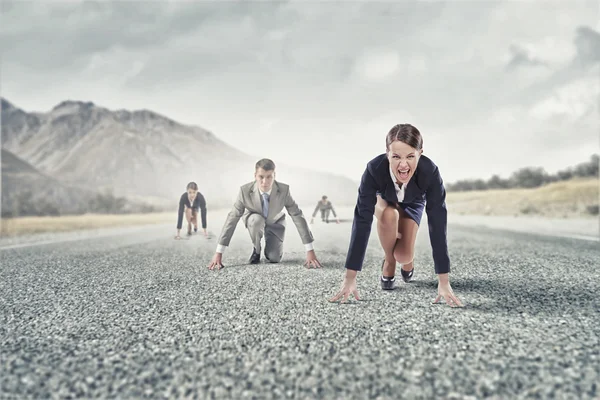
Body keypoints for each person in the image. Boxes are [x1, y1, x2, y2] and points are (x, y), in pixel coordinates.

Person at [329, 123, 463, 307]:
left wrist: (444, 282)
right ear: (387, 154)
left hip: (413, 204)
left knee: (404, 256)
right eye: (396, 156)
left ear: (420, 153)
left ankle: (403, 260)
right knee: (389, 215)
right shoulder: (374, 169)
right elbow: (362, 219)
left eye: (410, 156)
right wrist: (350, 277)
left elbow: (438, 224)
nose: (403, 164)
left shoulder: (430, 172)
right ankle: (389, 261)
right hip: (384, 200)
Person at [207, 158, 322, 270]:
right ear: (255, 176)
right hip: (255, 220)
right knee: (256, 220)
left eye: (269, 177)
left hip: (275, 222)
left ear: (274, 176)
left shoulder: (284, 190)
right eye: (261, 177)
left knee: (274, 258)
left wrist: (310, 250)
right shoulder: (244, 191)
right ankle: (256, 250)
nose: (265, 182)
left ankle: (270, 248)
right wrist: (219, 252)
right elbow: (232, 218)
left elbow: (297, 215)